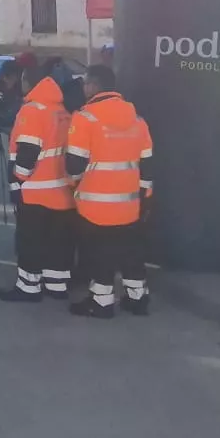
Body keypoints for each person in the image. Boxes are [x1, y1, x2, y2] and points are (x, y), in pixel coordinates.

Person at [67, 66, 156, 319]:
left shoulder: (84, 118)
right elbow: (147, 165)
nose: (84, 88)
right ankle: (137, 298)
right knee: (131, 253)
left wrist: (75, 186)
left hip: (95, 206)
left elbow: (74, 165)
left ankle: (101, 302)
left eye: (86, 83)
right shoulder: (138, 120)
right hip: (129, 204)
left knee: (100, 255)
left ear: (94, 86)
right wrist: (145, 198)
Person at [0, 59, 77, 303]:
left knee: (30, 240)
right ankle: (56, 284)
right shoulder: (62, 111)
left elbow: (28, 151)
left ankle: (28, 287)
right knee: (58, 241)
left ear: (28, 82)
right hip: (62, 192)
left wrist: (18, 181)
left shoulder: (33, 110)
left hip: (35, 192)